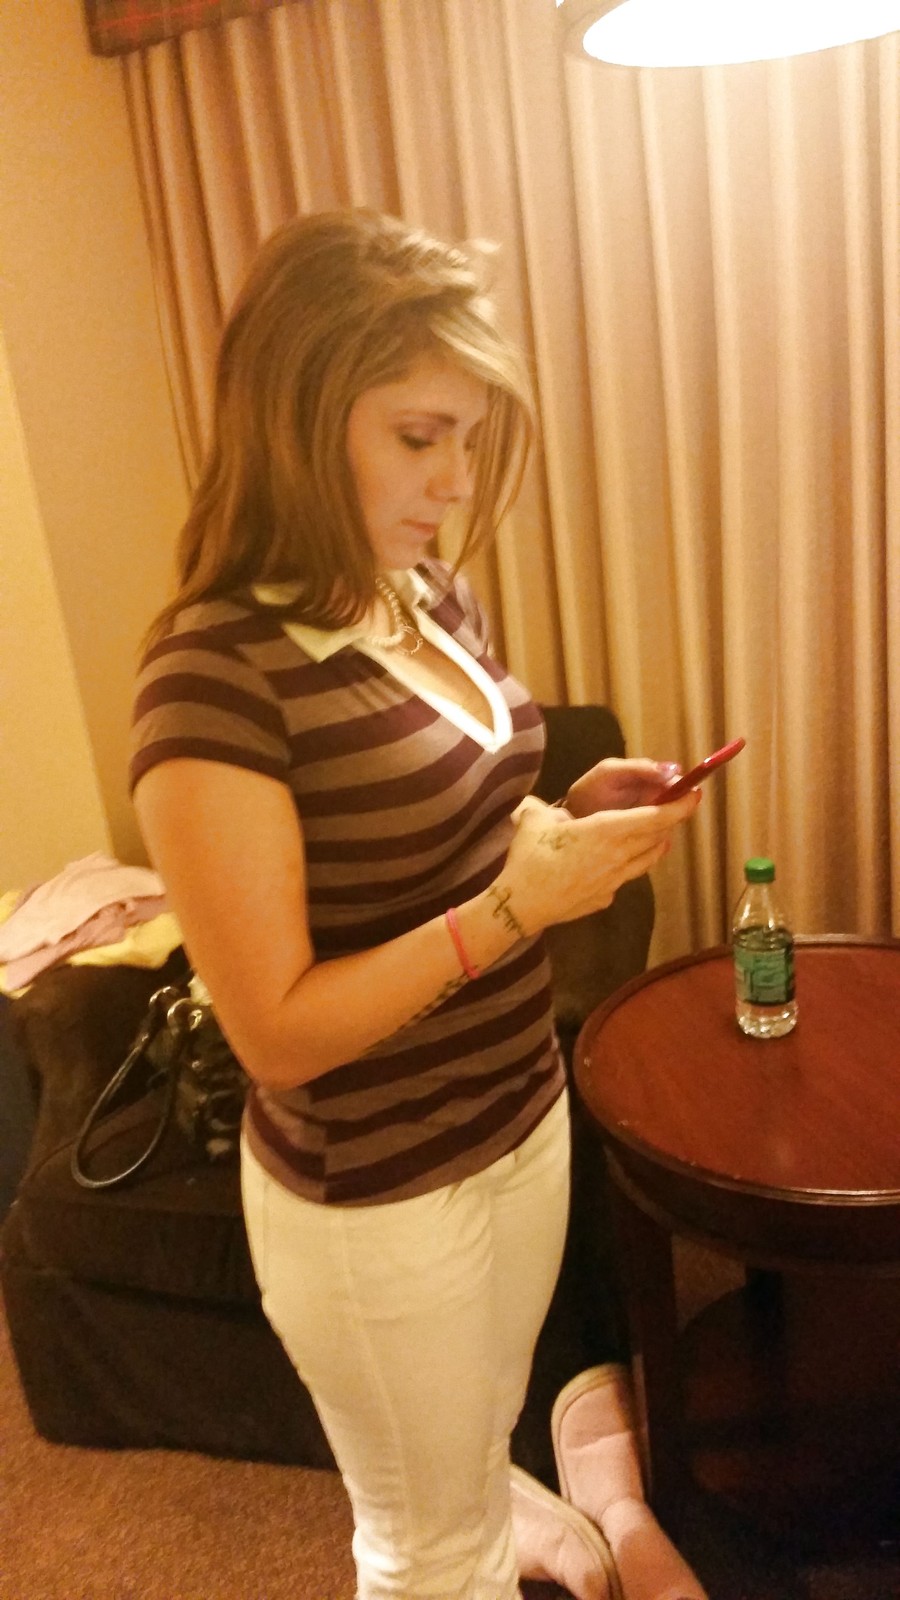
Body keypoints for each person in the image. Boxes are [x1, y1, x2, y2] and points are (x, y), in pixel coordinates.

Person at [130, 209, 700, 1600]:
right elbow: (276, 1032)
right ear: (296, 418)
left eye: (466, 438)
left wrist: (571, 807)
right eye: (417, 436)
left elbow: (450, 823)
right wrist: (516, 910)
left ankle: (528, 1505)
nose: (453, 479)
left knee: (479, 1437)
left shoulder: (423, 594)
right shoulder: (213, 679)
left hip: (514, 1115)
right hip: (380, 1194)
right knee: (427, 1554)